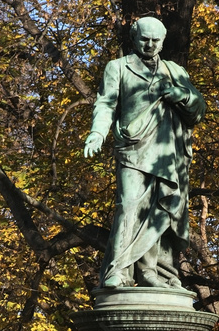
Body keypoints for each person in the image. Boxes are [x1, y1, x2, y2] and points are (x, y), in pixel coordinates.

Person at [84, 16, 206, 288]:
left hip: (167, 153)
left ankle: (153, 272)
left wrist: (181, 95)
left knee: (160, 210)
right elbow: (105, 104)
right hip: (134, 148)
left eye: (156, 40)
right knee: (128, 207)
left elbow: (199, 109)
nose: (150, 45)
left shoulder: (176, 71)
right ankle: (119, 270)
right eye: (144, 39)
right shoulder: (118, 67)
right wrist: (97, 132)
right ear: (134, 38)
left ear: (163, 41)